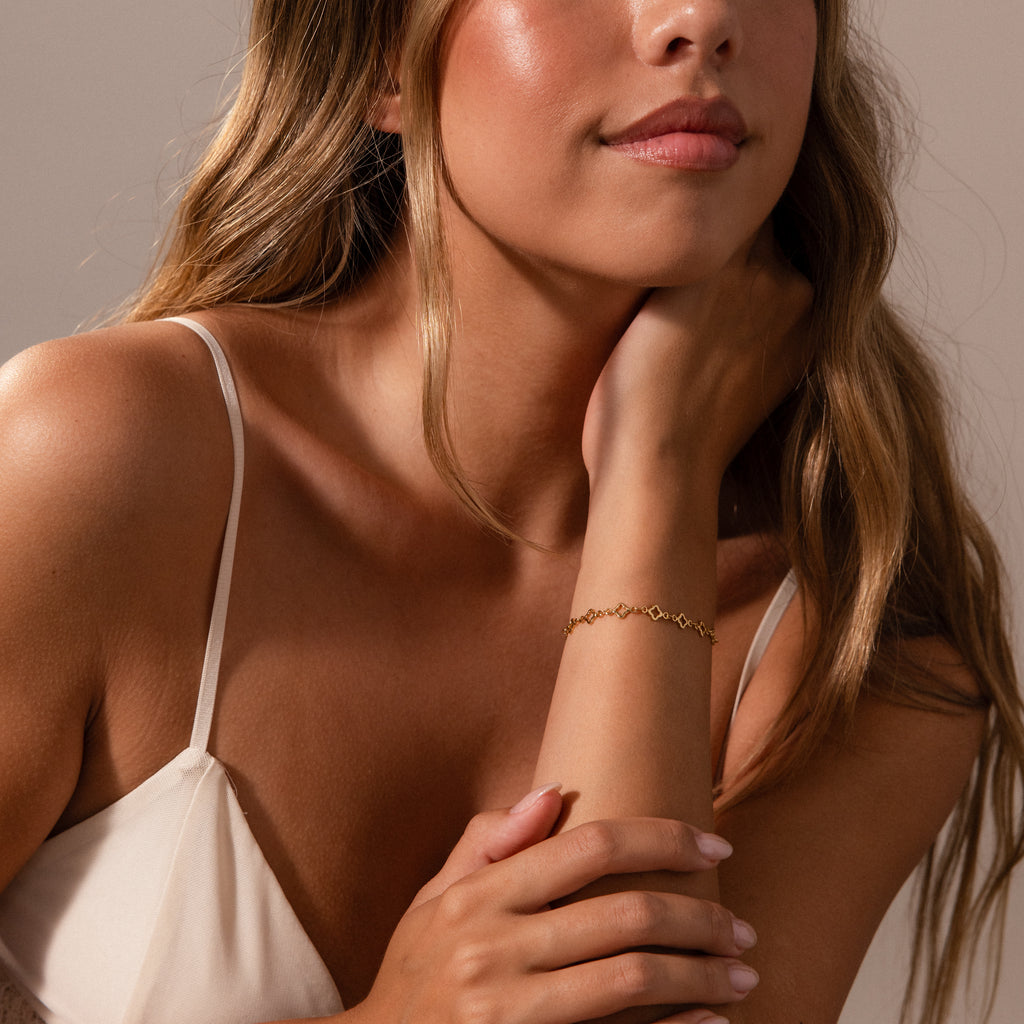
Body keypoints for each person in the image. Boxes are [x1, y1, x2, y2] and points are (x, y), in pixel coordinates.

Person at [0, 0, 1021, 1021]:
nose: (701, 19)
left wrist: (651, 479)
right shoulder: (107, 456)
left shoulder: (865, 645)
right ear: (380, 64)